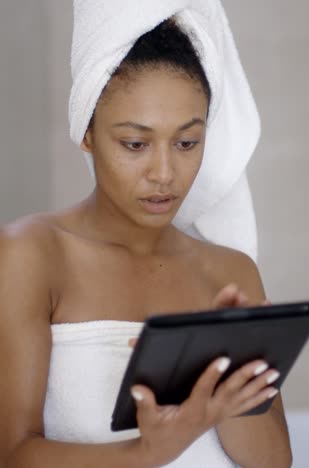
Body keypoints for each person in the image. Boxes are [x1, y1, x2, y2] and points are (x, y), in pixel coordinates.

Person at [0, 15, 292, 468]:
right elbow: (12, 454)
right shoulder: (31, 256)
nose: (164, 173)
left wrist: (226, 368)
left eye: (187, 142)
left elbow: (273, 462)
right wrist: (146, 452)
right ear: (88, 134)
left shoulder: (230, 272)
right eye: (136, 144)